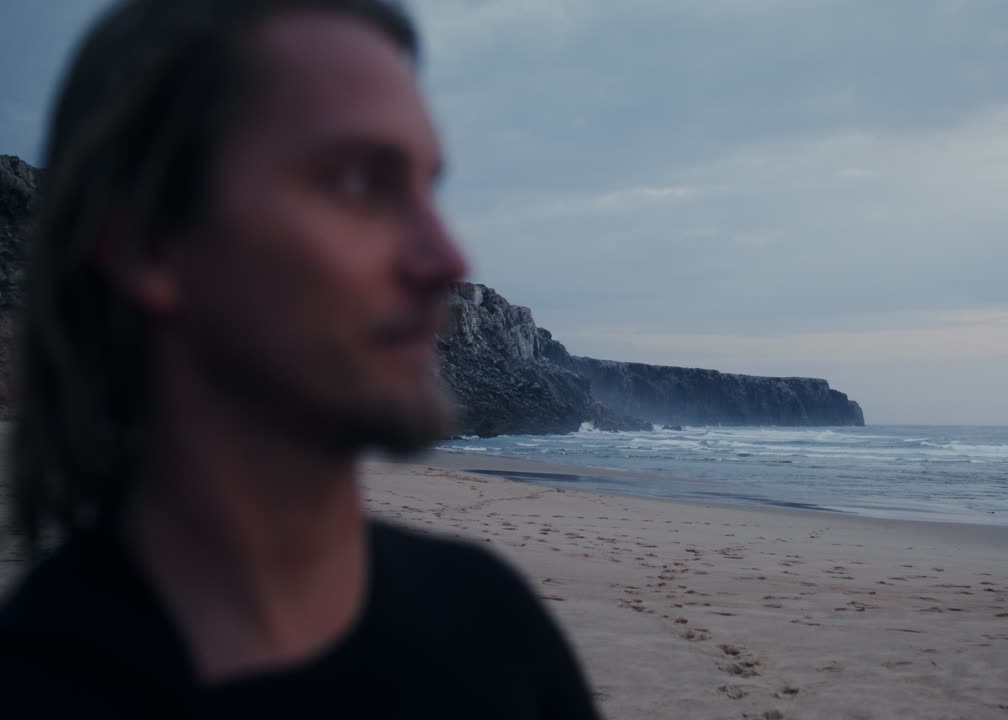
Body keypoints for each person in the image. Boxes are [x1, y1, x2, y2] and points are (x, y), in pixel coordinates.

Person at [0, 1, 601, 717]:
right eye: (357, 183)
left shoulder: (496, 629)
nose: (446, 260)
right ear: (150, 243)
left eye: (425, 188)